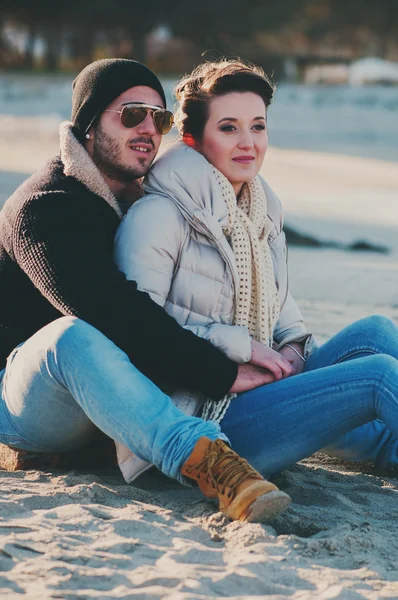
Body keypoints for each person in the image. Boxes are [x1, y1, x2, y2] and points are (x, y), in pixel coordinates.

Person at [0, 58, 297, 525]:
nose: (147, 129)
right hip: (31, 399)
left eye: (158, 119)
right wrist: (218, 371)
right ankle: (209, 463)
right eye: (130, 114)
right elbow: (113, 313)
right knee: (72, 335)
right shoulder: (44, 207)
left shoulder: (144, 200)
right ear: (89, 125)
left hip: (113, 399)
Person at [114, 59, 398, 485]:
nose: (248, 143)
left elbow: (287, 319)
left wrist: (292, 353)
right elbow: (135, 339)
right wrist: (243, 348)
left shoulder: (260, 212)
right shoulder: (159, 214)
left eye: (258, 127)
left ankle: (387, 447)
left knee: (376, 332)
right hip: (200, 422)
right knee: (379, 376)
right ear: (193, 138)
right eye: (229, 128)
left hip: (260, 391)